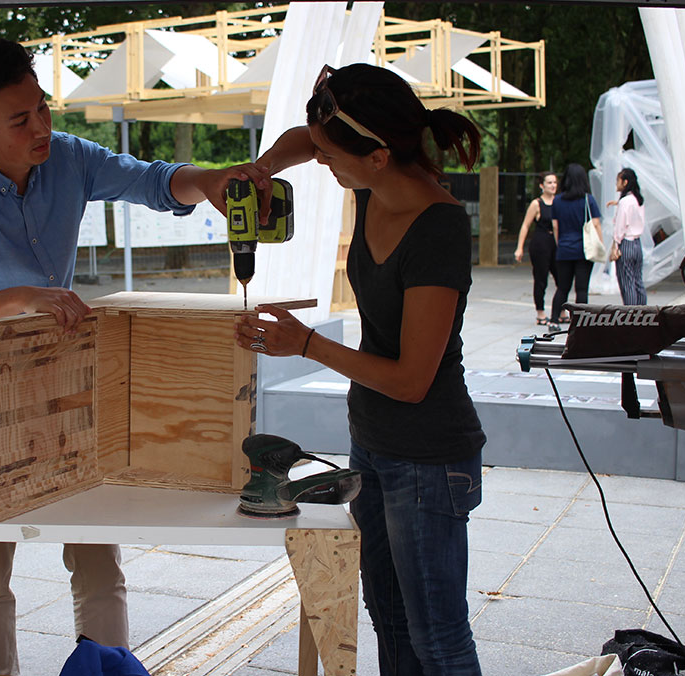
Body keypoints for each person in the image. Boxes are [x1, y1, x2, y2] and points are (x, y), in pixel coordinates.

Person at [0, 39, 258, 676]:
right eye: (20, 120)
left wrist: (207, 182)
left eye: (43, 108)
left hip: (69, 390)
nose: (42, 128)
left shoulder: (67, 157)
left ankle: (108, 668)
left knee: (97, 555)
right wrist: (20, 299)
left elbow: (150, 180)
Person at [234, 63, 486, 675]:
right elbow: (306, 138)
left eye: (330, 155)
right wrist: (261, 171)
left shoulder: (439, 228)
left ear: (376, 155)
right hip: (372, 443)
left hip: (428, 457)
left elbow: (411, 379)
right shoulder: (375, 178)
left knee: (439, 639)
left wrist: (307, 345)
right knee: (390, 619)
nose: (321, 163)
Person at [548, 163, 601, 331]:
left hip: (564, 249)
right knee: (582, 289)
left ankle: (554, 320)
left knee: (562, 287)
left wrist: (560, 244)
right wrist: (600, 244)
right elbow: (596, 224)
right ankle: (580, 322)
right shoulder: (588, 200)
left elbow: (555, 226)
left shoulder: (557, 200)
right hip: (584, 250)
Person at [513, 171, 559, 325]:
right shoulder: (536, 204)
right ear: (541, 185)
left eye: (554, 182)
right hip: (541, 243)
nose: (553, 185)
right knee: (541, 278)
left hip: (557, 243)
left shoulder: (559, 201)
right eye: (549, 183)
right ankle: (540, 312)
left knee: (562, 278)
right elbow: (525, 225)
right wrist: (519, 248)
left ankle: (561, 310)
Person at [608, 167, 647, 305]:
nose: (616, 183)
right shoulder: (637, 199)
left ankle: (631, 316)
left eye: (618, 180)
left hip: (626, 243)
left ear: (625, 182)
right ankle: (643, 314)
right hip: (637, 244)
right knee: (638, 281)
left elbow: (620, 227)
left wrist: (615, 245)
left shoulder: (625, 202)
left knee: (627, 283)